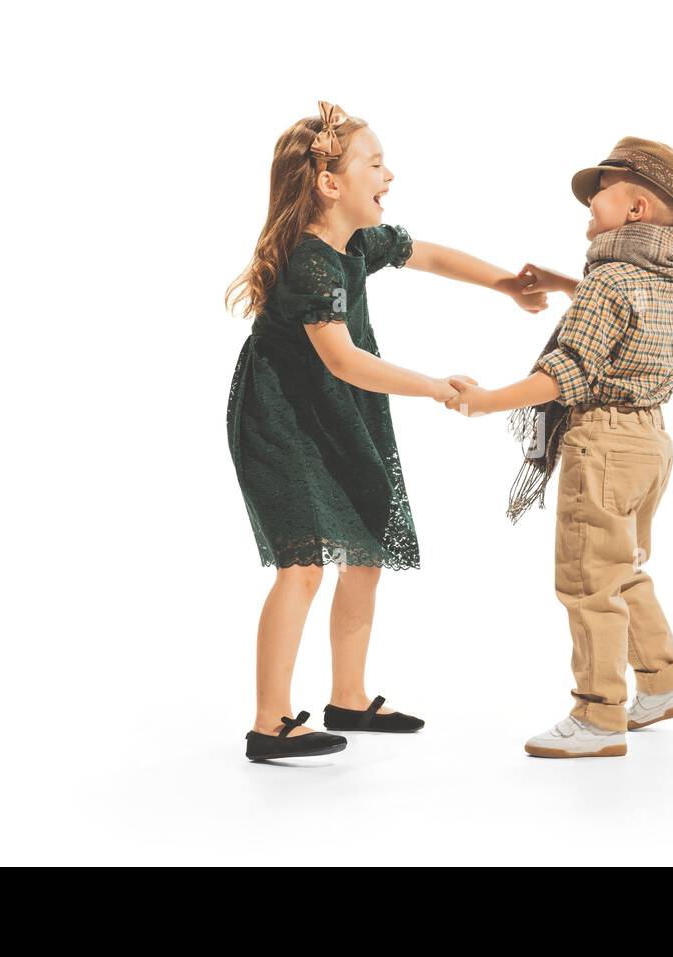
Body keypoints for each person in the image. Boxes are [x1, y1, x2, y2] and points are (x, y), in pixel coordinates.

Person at [226, 102, 547, 761]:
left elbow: (426, 253)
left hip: (337, 408)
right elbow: (343, 358)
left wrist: (506, 285)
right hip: (283, 418)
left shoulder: (353, 245)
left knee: (366, 552)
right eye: (375, 164)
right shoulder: (312, 264)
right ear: (329, 183)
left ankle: (349, 694)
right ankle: (269, 720)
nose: (390, 175)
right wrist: (433, 385)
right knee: (302, 566)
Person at [445, 137, 673, 757]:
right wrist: (570, 284)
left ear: (636, 209)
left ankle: (597, 716)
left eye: (599, 197)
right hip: (650, 443)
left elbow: (567, 372)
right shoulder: (666, 276)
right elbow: (623, 312)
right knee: (623, 570)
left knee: (588, 580)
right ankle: (664, 684)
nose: (588, 209)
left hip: (603, 442)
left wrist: (486, 400)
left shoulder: (609, 281)